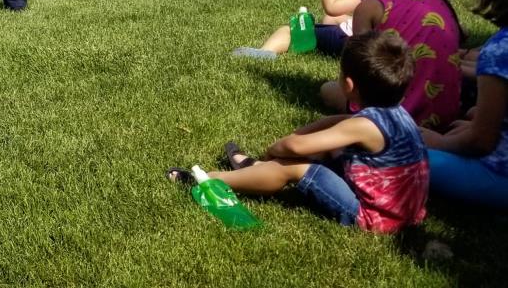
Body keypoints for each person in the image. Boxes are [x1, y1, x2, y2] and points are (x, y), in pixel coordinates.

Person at [169, 30, 429, 233]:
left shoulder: (363, 126)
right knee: (326, 151)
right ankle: (255, 169)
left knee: (295, 167)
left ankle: (210, 179)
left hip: (375, 218)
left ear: (348, 85)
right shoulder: (396, 114)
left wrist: (275, 149)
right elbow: (334, 122)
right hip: (403, 211)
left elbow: (295, 147)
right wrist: (303, 134)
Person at [318, 0, 463, 130]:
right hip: (446, 113)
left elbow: (359, 68)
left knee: (328, 90)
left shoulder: (371, 6)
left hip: (394, 119)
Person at [423, 0, 508, 208]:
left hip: (499, 176)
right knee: (470, 117)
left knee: (400, 152)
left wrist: (437, 142)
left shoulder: (500, 49)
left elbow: (481, 141)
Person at [232, 0, 380, 59]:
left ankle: (265, 53)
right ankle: (323, 36)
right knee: (330, 18)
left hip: (353, 42)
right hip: (381, 44)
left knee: (288, 30)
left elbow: (333, 7)